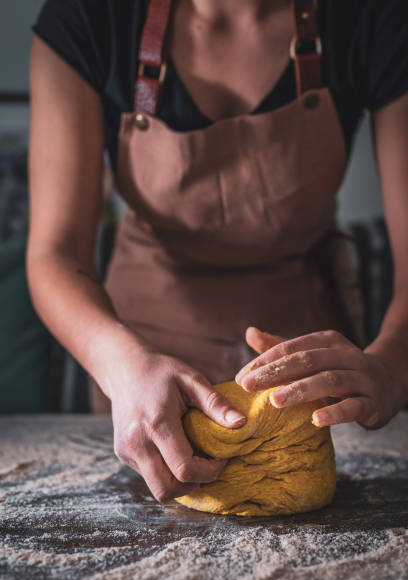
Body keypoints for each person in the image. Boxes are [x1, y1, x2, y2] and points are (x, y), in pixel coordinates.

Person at [28, 0, 408, 503]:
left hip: (306, 377)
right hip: (143, 357)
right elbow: (55, 253)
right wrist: (122, 366)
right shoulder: (90, 16)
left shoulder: (372, 17)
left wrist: (388, 369)